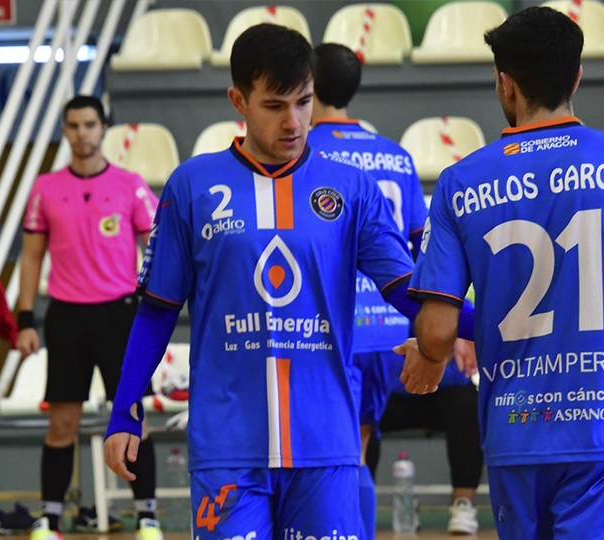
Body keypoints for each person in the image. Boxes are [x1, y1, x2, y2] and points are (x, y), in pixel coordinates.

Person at [102, 25, 472, 540]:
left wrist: (484, 325)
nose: (294, 121)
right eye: (275, 105)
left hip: (327, 444)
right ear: (239, 100)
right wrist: (124, 411)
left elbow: (406, 291)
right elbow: (158, 309)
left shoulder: (352, 188)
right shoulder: (192, 186)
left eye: (303, 101)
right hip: (229, 451)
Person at [396, 6, 604, 538]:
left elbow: (438, 329)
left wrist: (428, 356)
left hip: (515, 440)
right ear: (578, 76)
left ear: (505, 84)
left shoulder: (458, 181)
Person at [308, 43, 481, 536]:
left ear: (309, 84)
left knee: (336, 457)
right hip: (390, 324)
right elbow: (421, 250)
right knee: (357, 446)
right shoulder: (396, 156)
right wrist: (455, 325)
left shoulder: (303, 153)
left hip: (328, 328)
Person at [14, 95, 161, 540]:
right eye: (74, 125)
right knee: (62, 422)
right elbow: (31, 257)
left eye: (90, 124)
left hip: (120, 316)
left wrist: (156, 309)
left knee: (133, 416)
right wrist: (25, 319)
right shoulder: (45, 188)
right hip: (66, 316)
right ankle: (51, 518)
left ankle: (147, 516)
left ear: (104, 128)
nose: (82, 133)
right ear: (65, 130)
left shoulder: (130, 185)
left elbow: (156, 249)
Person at [364, 356, 485, 535]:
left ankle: (463, 504)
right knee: (362, 413)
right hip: (391, 390)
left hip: (447, 386)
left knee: (470, 409)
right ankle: (361, 504)